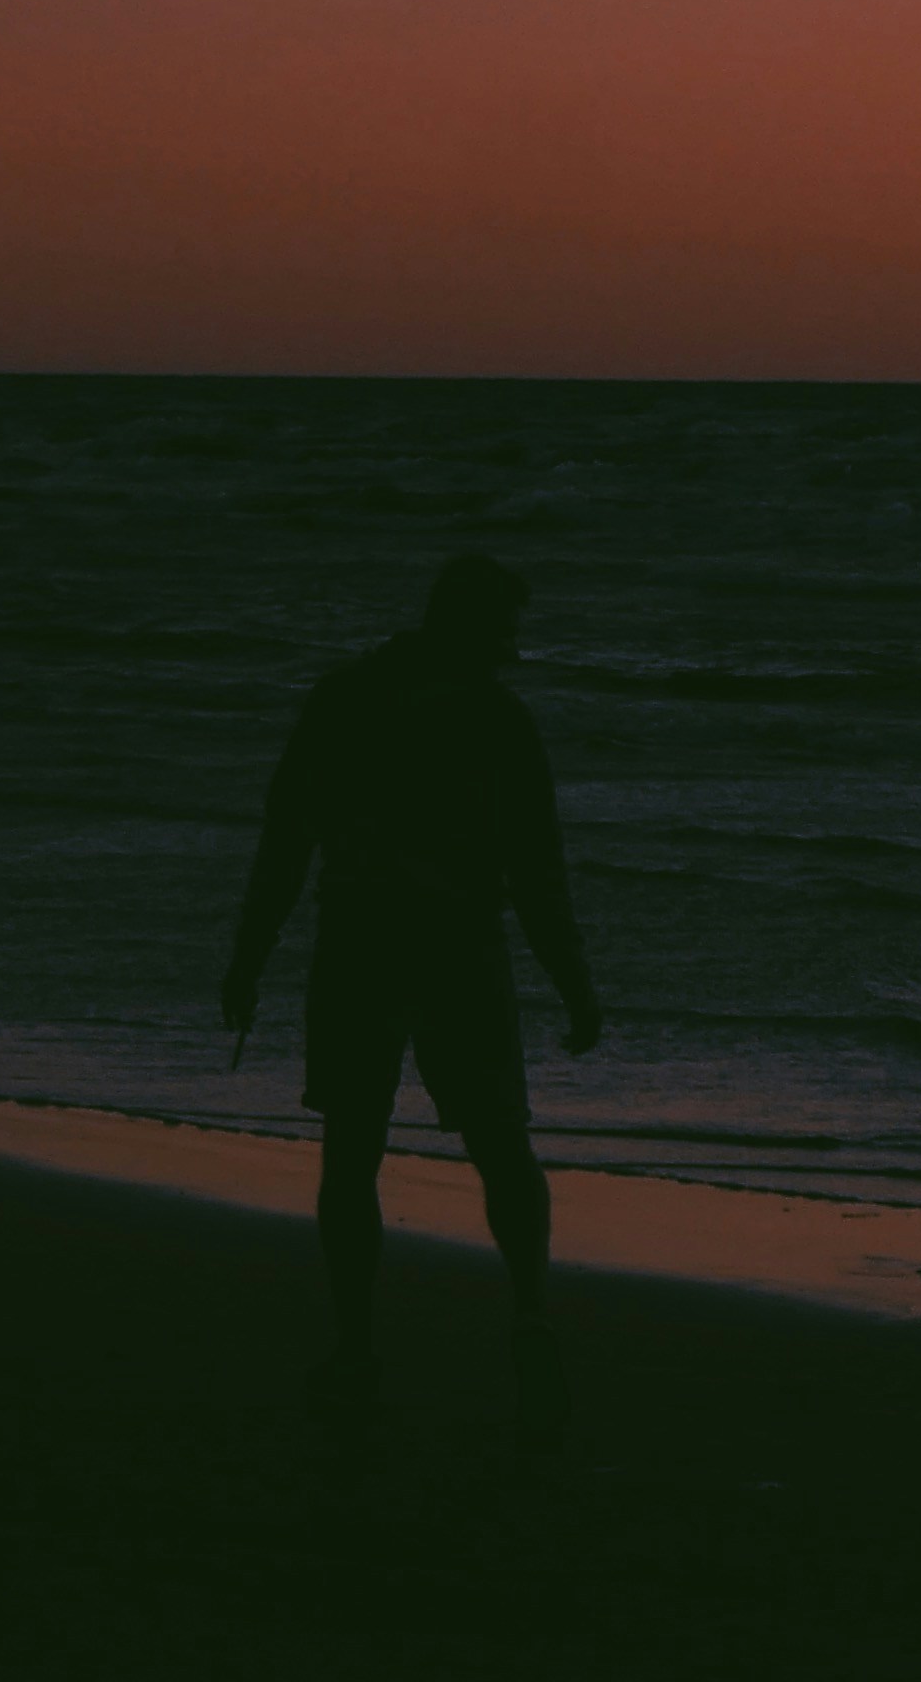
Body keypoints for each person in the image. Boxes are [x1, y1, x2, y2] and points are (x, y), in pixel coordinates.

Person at [220, 551, 603, 1427]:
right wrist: (575, 985)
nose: (511, 651)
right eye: (505, 633)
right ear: (477, 630)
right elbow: (538, 874)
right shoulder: (501, 722)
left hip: (357, 941)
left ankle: (355, 1346)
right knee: (503, 1142)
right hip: (461, 948)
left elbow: (286, 840)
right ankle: (530, 1310)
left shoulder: (341, 700)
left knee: (352, 1153)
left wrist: (248, 957)